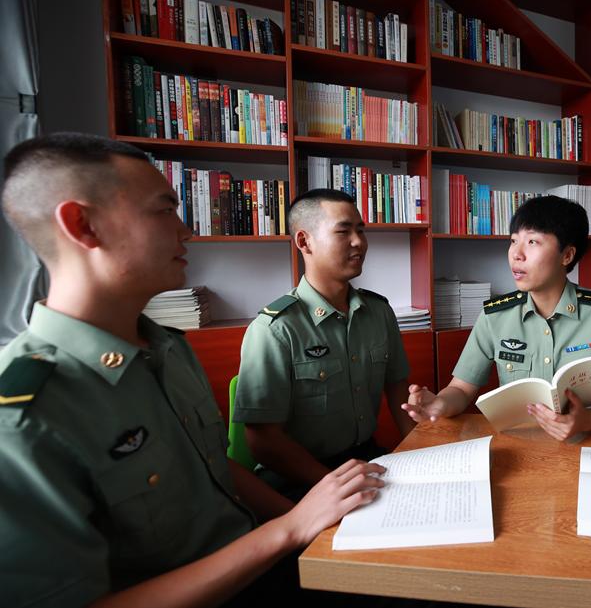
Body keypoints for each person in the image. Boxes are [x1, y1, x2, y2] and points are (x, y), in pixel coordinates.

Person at [0, 133, 384, 608]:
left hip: (258, 559)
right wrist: (290, 529)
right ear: (83, 225)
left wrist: (313, 524)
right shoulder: (24, 417)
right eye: (164, 210)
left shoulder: (167, 348)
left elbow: (216, 467)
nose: (186, 231)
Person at [403, 195, 591, 440]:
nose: (516, 254)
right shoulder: (495, 316)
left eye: (532, 241)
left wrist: (587, 420)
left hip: (588, 444)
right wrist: (440, 403)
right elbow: (461, 389)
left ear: (567, 255)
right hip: (519, 447)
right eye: (513, 241)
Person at [233, 188, 413, 495]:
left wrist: (422, 451)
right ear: (305, 242)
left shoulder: (379, 312)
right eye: (343, 231)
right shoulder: (275, 329)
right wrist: (336, 487)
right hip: (298, 476)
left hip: (365, 461)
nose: (358, 242)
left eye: (360, 230)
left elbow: (399, 391)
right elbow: (263, 440)